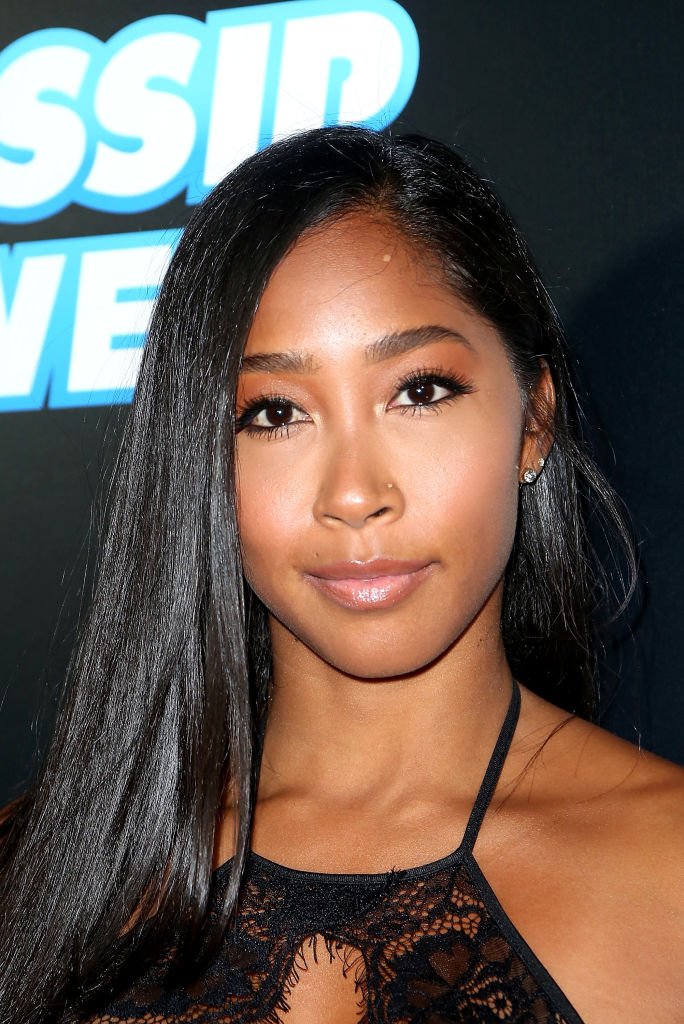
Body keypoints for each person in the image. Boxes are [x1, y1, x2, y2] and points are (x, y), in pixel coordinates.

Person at [0, 125, 682, 1024]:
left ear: (533, 421)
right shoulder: (39, 868)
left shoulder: (664, 869)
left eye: (420, 391)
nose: (354, 495)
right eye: (276, 412)